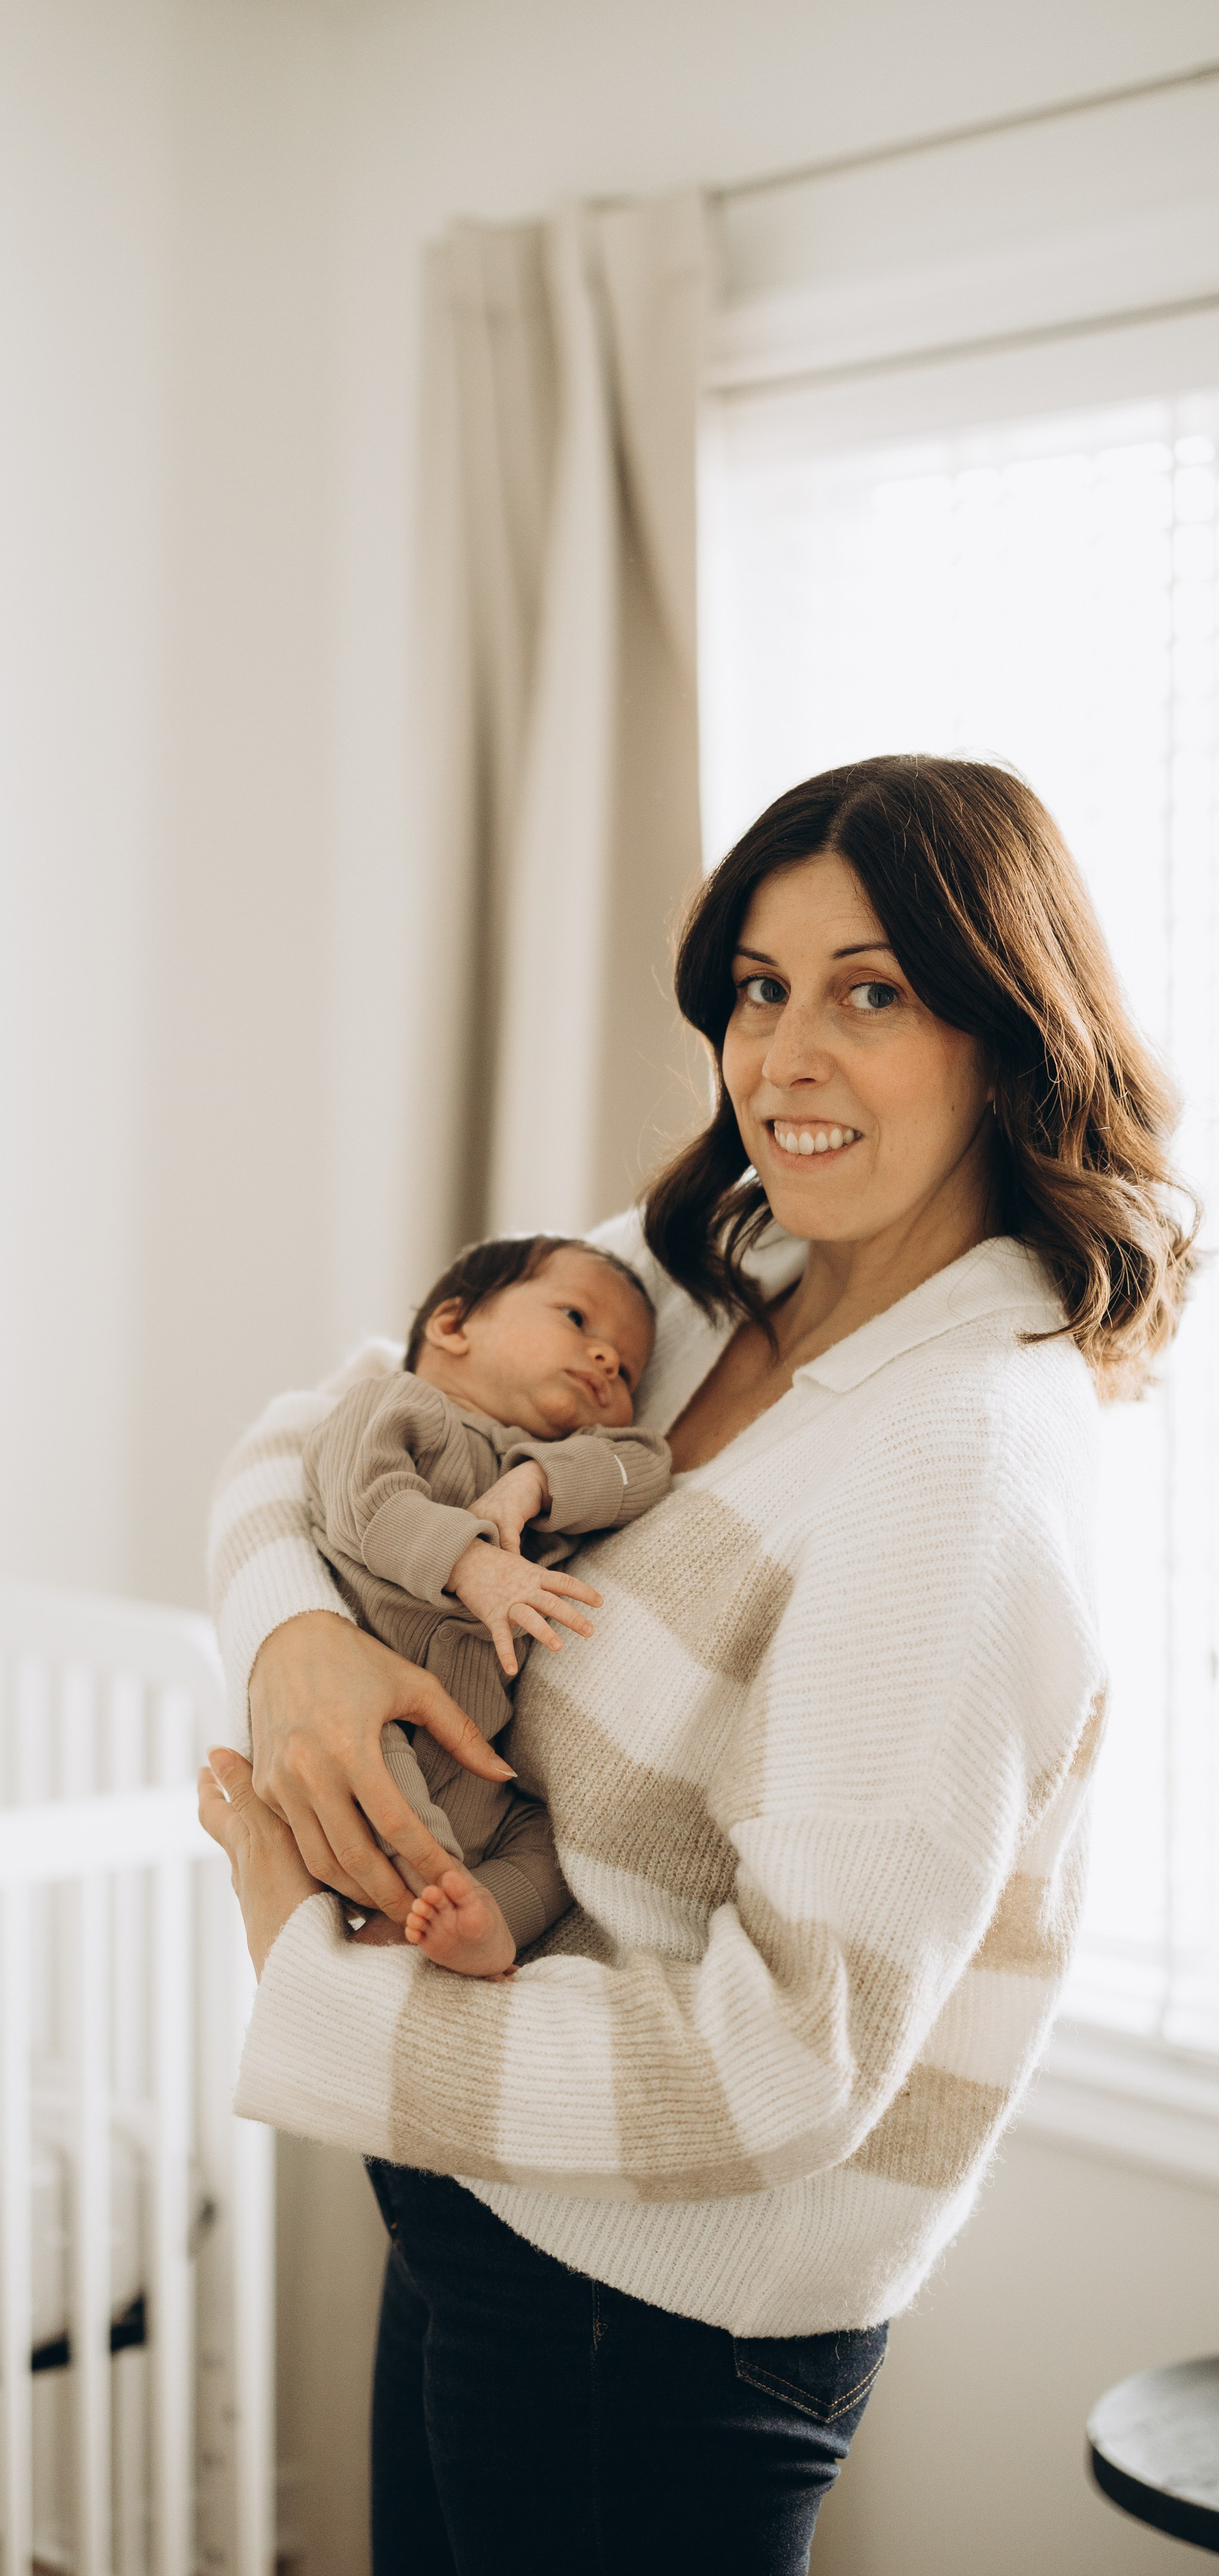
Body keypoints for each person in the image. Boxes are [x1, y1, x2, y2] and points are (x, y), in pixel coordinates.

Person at [200, 755, 1196, 2576]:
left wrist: (316, 1980)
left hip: (646, 2319)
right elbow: (329, 1416)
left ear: (1004, 1035)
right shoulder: (700, 1269)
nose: (781, 1058)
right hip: (483, 2198)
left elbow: (789, 2057)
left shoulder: (957, 1474)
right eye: (757, 987)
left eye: (867, 993)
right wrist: (293, 1638)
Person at [301, 1232, 669, 1976]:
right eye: (576, 1318)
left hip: (483, 1780)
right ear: (454, 1325)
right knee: (380, 1781)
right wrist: (471, 1562)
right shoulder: (395, 1403)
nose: (607, 1357)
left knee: (558, 1853)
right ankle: (419, 1899)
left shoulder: (542, 1479)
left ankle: (481, 1919)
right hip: (373, 1718)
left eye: (629, 1368)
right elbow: (366, 1504)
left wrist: (536, 1479)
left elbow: (648, 1465)